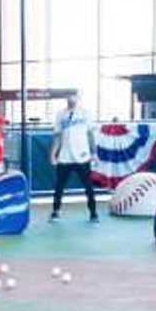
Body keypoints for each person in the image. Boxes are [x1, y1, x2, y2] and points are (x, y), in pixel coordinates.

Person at [49, 94, 97, 222]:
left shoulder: (85, 113)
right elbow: (57, 136)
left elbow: (91, 134)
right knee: (59, 186)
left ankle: (93, 213)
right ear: (66, 99)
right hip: (65, 157)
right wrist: (53, 154)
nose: (72, 99)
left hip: (82, 156)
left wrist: (94, 153)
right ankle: (55, 211)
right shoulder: (60, 114)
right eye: (69, 97)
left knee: (88, 186)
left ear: (78, 98)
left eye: (74, 96)